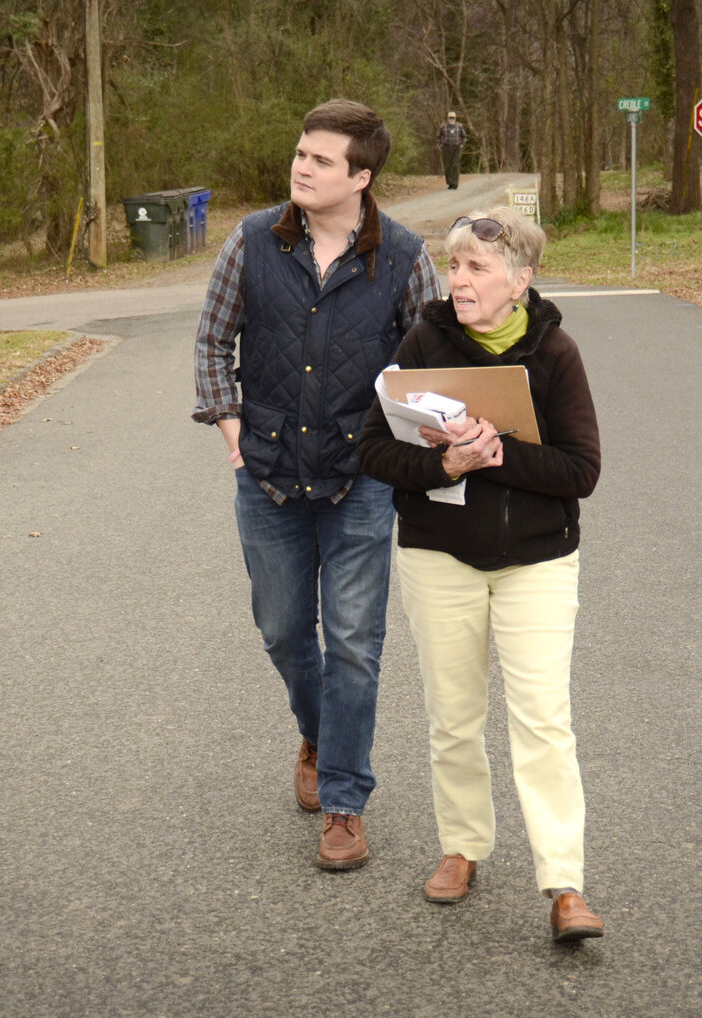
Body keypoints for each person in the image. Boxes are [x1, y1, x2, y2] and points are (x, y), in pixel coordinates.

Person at [192, 99, 445, 871]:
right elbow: (212, 340)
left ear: (360, 177)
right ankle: (318, 730)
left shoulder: (403, 257)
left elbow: (431, 362)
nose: (302, 167)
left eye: (321, 159)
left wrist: (409, 450)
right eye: (301, 153)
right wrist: (234, 438)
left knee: (356, 646)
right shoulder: (252, 240)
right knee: (281, 630)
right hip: (265, 474)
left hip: (360, 480)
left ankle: (343, 798)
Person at [357, 206, 604, 942]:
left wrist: (497, 452)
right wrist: (444, 463)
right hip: (438, 554)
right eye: (454, 266)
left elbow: (581, 470)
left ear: (519, 280)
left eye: (477, 268)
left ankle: (564, 882)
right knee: (454, 717)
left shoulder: (555, 353)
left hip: (537, 561)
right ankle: (462, 847)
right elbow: (374, 451)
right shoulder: (423, 342)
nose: (459, 280)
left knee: (543, 722)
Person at [436, 111, 466, 190]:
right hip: (446, 148)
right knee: (447, 166)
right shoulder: (443, 126)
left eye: (453, 118)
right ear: (448, 118)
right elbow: (438, 137)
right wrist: (440, 145)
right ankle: (450, 183)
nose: (451, 119)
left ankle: (455, 183)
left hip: (456, 147)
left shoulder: (459, 126)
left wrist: (461, 145)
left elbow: (463, 137)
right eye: (450, 118)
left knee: (455, 165)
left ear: (455, 118)